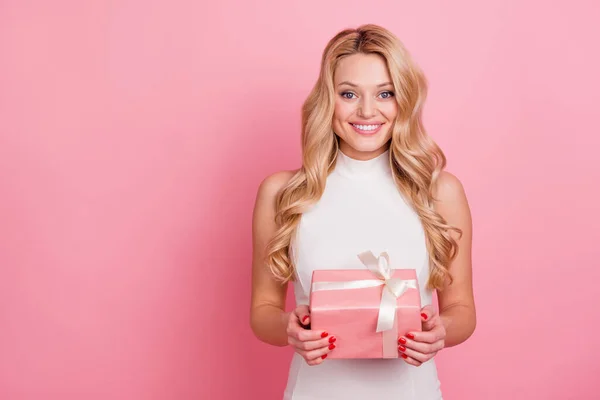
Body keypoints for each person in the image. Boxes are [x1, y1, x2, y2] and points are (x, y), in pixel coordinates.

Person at [250, 24, 476, 400]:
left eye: (385, 93)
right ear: (328, 100)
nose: (367, 110)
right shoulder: (282, 193)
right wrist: (289, 326)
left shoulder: (440, 192)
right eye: (349, 93)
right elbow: (263, 310)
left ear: (403, 99)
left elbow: (462, 309)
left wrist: (441, 331)